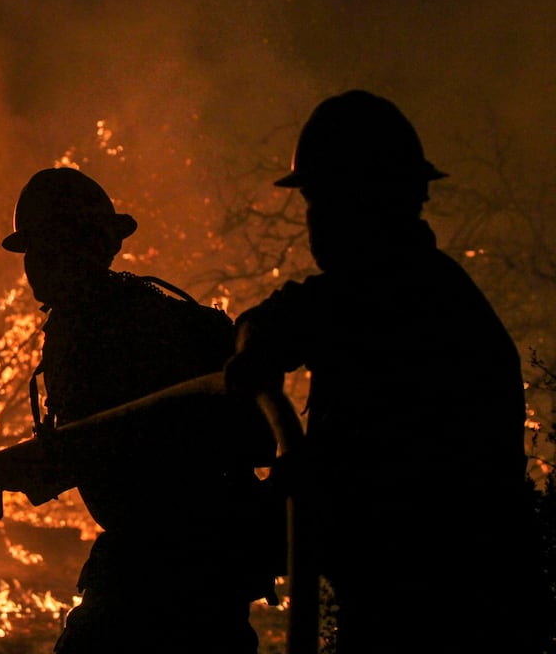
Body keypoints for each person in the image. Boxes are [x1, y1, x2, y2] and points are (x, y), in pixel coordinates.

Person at [224, 90, 546, 653]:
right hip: (452, 605)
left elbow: (364, 477)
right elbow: (275, 323)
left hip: (437, 615)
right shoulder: (419, 288)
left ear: (366, 202)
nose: (314, 221)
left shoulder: (396, 300)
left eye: (322, 201)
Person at [0, 167, 276, 652]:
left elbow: (91, 448)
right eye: (33, 253)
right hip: (217, 561)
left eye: (46, 249)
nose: (35, 267)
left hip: (162, 562)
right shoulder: (158, 312)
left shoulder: (92, 328)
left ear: (86, 248)